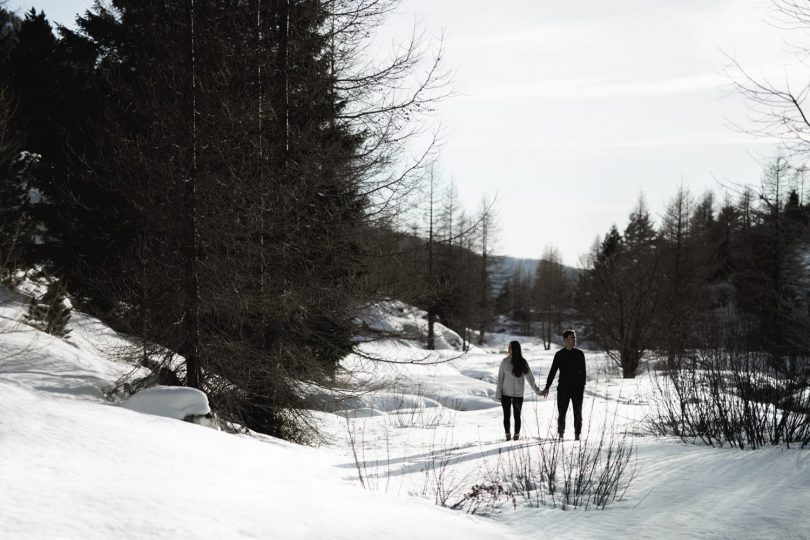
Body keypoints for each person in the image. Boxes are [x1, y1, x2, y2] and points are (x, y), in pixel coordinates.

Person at [540, 329, 586, 440]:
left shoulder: (580, 354)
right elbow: (553, 371)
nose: (574, 340)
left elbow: (583, 373)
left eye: (575, 337)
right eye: (572, 338)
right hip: (563, 388)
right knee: (561, 412)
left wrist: (581, 386)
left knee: (578, 412)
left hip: (577, 389)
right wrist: (547, 387)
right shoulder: (559, 355)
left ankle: (577, 435)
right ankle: (560, 434)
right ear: (565, 340)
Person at [496, 340, 541, 441]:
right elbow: (500, 378)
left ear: (514, 349)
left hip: (518, 394)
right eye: (508, 347)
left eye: (510, 347)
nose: (508, 349)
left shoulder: (523, 362)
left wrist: (537, 391)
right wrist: (498, 393)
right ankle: (507, 435)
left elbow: (530, 378)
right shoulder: (504, 362)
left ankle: (516, 436)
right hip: (505, 393)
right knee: (506, 416)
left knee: (517, 416)